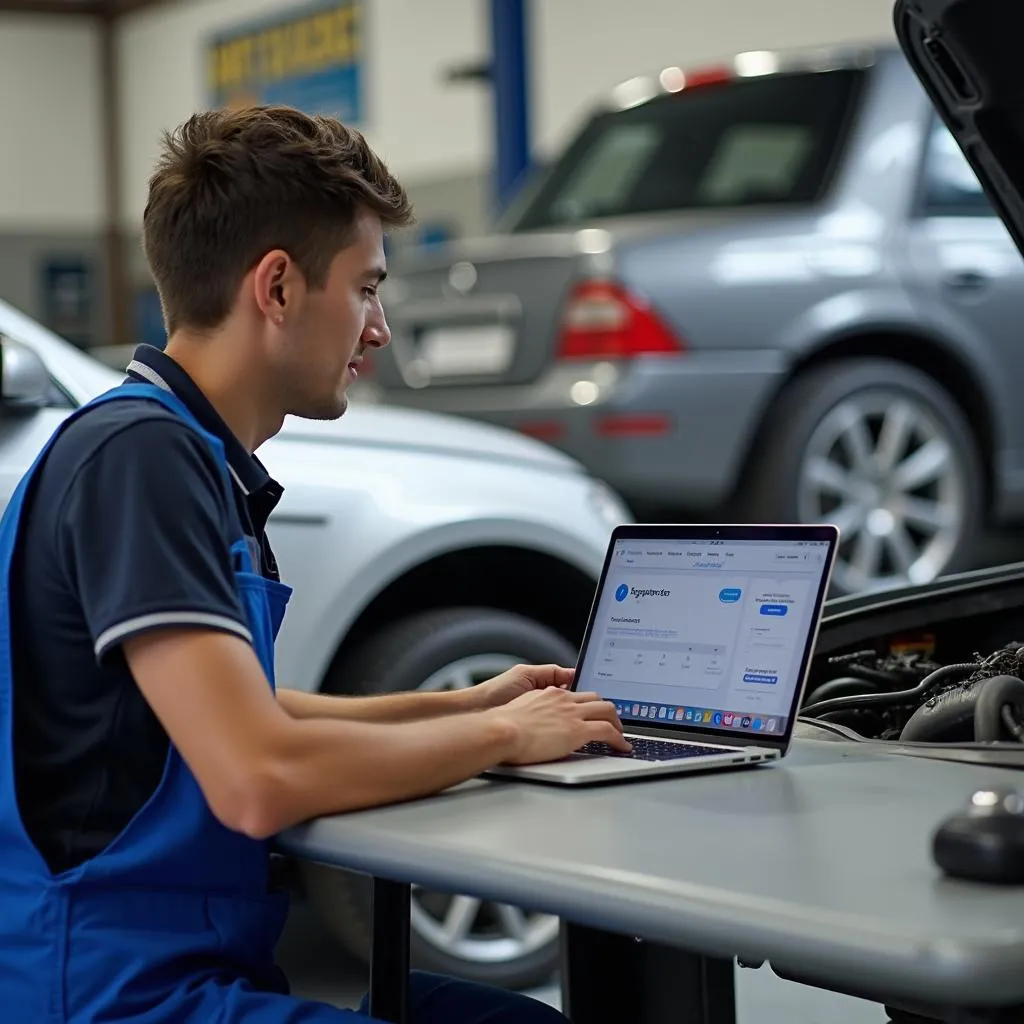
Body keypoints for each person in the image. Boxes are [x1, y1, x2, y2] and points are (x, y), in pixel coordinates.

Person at [0, 105, 630, 1022]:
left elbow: (235, 713)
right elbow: (256, 775)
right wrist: (505, 740)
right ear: (280, 288)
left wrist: (468, 702)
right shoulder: (142, 460)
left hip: (162, 973)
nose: (377, 329)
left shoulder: (177, 452)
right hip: (117, 997)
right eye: (367, 287)